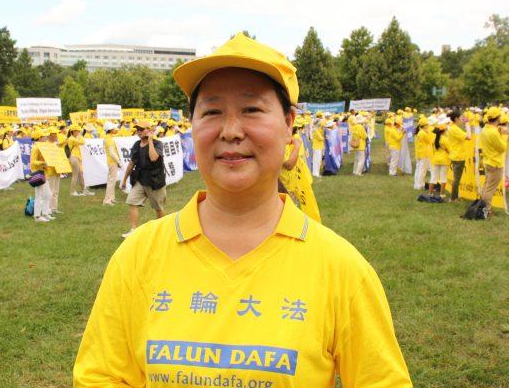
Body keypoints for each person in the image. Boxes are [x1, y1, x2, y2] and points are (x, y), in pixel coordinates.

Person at [74, 33, 412, 387]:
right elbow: (101, 376)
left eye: (251, 109)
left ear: (288, 124)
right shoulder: (137, 257)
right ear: (193, 125)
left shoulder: (341, 269)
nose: (231, 131)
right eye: (212, 111)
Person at [120, 119, 166, 238]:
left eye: (141, 129)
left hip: (155, 181)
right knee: (131, 201)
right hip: (141, 179)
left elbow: (154, 157)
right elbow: (131, 163)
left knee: (158, 207)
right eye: (137, 129)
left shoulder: (157, 144)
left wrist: (150, 141)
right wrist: (124, 179)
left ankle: (164, 230)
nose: (139, 131)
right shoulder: (136, 145)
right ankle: (134, 230)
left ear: (150, 130)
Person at [479, 107, 507, 214]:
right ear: (498, 118)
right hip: (495, 163)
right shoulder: (494, 133)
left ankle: (482, 206)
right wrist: (504, 136)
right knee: (490, 189)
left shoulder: (486, 129)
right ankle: (486, 210)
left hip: (488, 161)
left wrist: (499, 130)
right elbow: (502, 148)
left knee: (487, 185)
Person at [30, 130, 54, 222]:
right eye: (44, 136)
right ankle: (37, 217)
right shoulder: (35, 148)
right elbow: (33, 162)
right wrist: (43, 163)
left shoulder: (43, 147)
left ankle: (45, 213)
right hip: (38, 174)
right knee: (39, 195)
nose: (46, 138)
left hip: (44, 173)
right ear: (39, 138)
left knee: (48, 195)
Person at [428, 118, 451, 198]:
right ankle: (442, 194)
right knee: (443, 177)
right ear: (444, 131)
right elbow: (449, 150)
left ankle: (430, 193)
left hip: (436, 159)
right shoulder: (445, 139)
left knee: (433, 177)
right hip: (444, 160)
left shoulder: (434, 138)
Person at [103, 122, 121, 205]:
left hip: (111, 161)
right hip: (112, 161)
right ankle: (107, 200)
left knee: (112, 180)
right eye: (114, 128)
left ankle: (111, 198)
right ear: (110, 130)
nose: (115, 129)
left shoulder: (108, 137)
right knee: (111, 181)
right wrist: (118, 162)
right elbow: (112, 152)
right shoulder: (109, 139)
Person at [413, 116, 433, 190]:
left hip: (419, 154)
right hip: (423, 154)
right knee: (422, 170)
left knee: (418, 169)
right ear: (424, 125)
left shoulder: (420, 132)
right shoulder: (423, 133)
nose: (428, 126)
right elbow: (430, 141)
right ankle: (419, 185)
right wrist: (429, 132)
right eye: (427, 124)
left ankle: (417, 184)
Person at [67, 125, 87, 196]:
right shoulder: (71, 139)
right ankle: (72, 191)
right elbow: (82, 142)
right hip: (74, 157)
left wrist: (79, 135)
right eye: (77, 131)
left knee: (81, 174)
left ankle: (84, 190)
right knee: (75, 175)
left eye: (79, 131)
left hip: (78, 157)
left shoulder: (74, 138)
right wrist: (80, 135)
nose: (79, 132)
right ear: (73, 131)